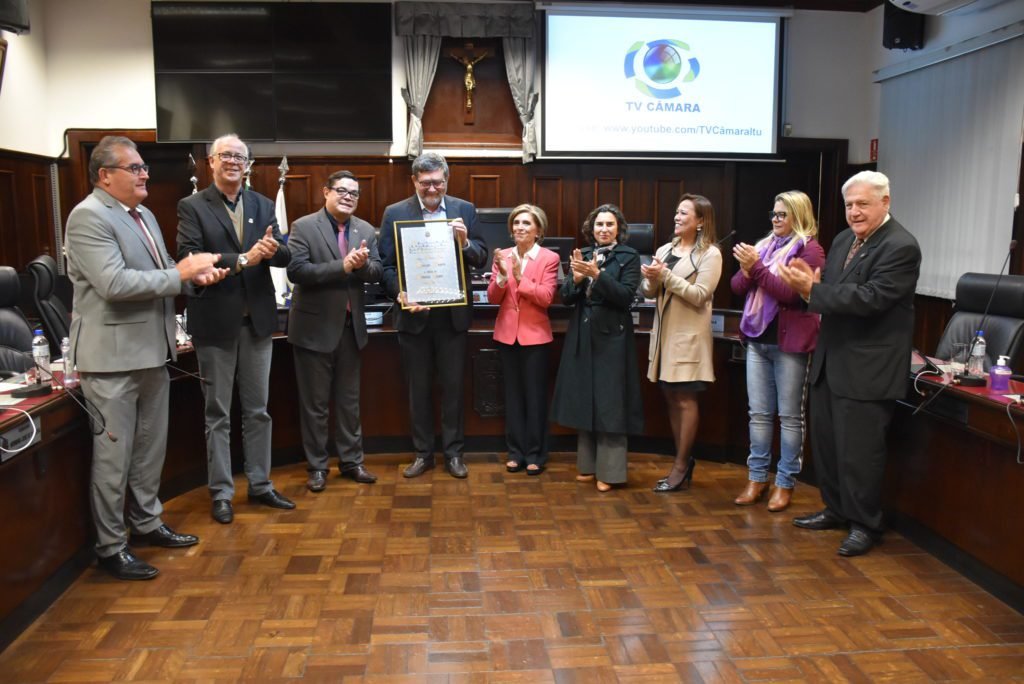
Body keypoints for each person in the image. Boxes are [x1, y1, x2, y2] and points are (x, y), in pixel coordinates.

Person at [65, 135, 228, 580]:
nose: (144, 174)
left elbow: (162, 275)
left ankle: (147, 521)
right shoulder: (88, 217)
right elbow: (115, 285)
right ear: (105, 175)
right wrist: (180, 273)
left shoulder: (145, 215)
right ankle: (111, 546)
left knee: (150, 448)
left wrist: (196, 278)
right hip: (111, 360)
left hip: (154, 351)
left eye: (143, 168)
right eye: (134, 168)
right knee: (114, 458)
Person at [778, 171, 921, 557]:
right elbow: (834, 290)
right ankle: (837, 509)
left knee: (860, 453)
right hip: (831, 361)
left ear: (885, 202)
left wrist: (814, 290)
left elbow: (870, 299)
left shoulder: (901, 246)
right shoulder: (843, 240)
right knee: (827, 446)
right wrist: (812, 287)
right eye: (849, 205)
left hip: (868, 370)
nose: (854, 212)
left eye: (863, 204)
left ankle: (865, 525)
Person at [176, 133, 295, 525]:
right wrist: (244, 258)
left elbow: (287, 254)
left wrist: (274, 250)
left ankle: (260, 484)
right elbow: (189, 258)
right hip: (214, 324)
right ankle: (222, 492)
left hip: (258, 323)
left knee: (258, 410)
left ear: (248, 165)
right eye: (225, 155)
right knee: (218, 413)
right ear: (210, 162)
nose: (232, 162)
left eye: (239, 157)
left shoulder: (262, 204)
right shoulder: (192, 206)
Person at [379, 152, 487, 479]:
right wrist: (400, 292)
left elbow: (480, 257)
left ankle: (454, 455)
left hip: (452, 316)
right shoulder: (395, 213)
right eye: (425, 182)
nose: (432, 188)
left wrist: (466, 243)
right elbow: (386, 265)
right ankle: (423, 454)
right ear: (414, 181)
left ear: (446, 180)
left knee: (453, 389)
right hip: (414, 316)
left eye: (437, 182)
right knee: (419, 389)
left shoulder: (463, 210)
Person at [287, 171, 382, 492]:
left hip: (350, 329)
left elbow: (377, 271)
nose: (348, 197)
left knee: (349, 402)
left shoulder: (366, 229)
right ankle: (317, 466)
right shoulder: (303, 226)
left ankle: (352, 461)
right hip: (313, 330)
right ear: (325, 192)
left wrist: (361, 265)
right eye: (341, 191)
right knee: (314, 404)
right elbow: (297, 271)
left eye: (354, 193)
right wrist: (342, 266)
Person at [731, 191, 825, 512]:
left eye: (782, 215)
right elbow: (736, 288)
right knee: (758, 414)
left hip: (791, 345)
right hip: (758, 341)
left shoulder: (811, 250)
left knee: (789, 417)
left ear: (799, 216)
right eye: (773, 214)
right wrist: (748, 270)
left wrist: (755, 269)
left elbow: (790, 294)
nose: (775, 220)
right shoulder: (763, 246)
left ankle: (785, 483)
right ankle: (757, 477)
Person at [551, 204, 643, 492]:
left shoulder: (629, 256)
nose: (603, 229)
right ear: (592, 229)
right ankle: (587, 466)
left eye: (609, 225)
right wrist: (577, 279)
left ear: (619, 229)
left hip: (612, 337)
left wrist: (598, 276)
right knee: (585, 396)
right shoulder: (584, 255)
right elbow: (565, 297)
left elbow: (626, 296)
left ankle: (612, 472)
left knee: (610, 402)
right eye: (599, 224)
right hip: (583, 333)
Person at [640, 195, 722, 493]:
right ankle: (681, 459)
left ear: (700, 221)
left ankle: (681, 464)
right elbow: (650, 292)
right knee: (671, 398)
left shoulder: (710, 254)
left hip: (688, 338)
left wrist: (665, 275)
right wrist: (650, 278)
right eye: (676, 212)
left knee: (686, 399)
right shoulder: (665, 249)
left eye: (683, 213)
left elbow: (700, 295)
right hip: (664, 338)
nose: (676, 217)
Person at [487, 204, 560, 475]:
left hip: (535, 337)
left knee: (535, 397)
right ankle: (515, 452)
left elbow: (546, 298)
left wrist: (520, 277)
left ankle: (536, 454)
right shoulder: (502, 255)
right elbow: (494, 298)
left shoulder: (549, 258)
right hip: (507, 335)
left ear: (538, 230)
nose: (520, 227)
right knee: (513, 397)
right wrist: (504, 278)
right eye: (516, 223)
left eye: (526, 223)